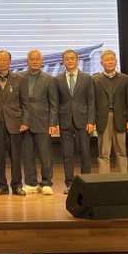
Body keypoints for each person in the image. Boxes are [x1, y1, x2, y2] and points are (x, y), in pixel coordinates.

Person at [0, 50, 30, 196]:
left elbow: (25, 103)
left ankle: (17, 185)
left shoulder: (19, 78)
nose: (1, 62)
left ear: (10, 62)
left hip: (15, 122)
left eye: (4, 60)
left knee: (15, 156)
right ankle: (1, 186)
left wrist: (25, 121)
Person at [54, 49, 96, 194]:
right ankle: (70, 183)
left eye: (72, 58)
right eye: (67, 58)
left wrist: (91, 121)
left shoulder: (87, 78)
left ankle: (86, 182)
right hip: (64, 120)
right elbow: (55, 102)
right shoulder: (57, 79)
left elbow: (91, 101)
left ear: (77, 60)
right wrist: (55, 122)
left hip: (83, 120)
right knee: (67, 154)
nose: (70, 61)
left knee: (85, 153)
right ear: (63, 61)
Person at [19, 50, 58, 196]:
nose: (34, 61)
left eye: (37, 59)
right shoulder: (20, 77)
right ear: (27, 61)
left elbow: (54, 103)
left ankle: (47, 183)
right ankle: (31, 183)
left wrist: (53, 123)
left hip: (43, 121)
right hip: (24, 122)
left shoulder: (49, 79)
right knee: (27, 154)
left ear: (42, 61)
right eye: (31, 59)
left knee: (45, 154)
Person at [93, 50, 128, 174]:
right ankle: (105, 179)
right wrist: (92, 120)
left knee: (121, 151)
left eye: (112, 59)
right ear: (101, 63)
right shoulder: (95, 79)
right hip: (102, 118)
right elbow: (92, 102)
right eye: (107, 60)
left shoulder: (125, 78)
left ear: (116, 62)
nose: (110, 62)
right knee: (103, 152)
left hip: (121, 118)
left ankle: (122, 178)